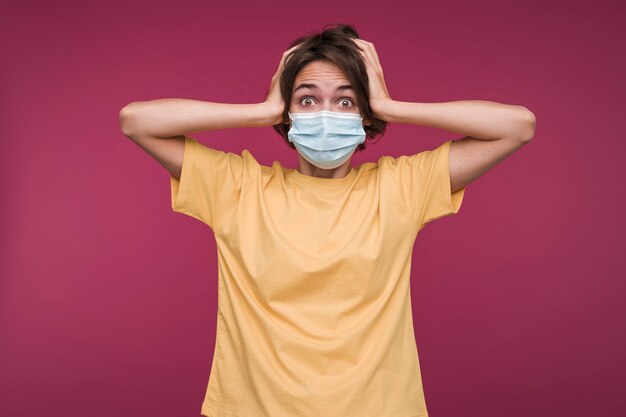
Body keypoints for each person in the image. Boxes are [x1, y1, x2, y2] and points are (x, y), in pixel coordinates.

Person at [119, 23, 535, 417]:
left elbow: (518, 126)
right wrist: (263, 110)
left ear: (364, 116)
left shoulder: (401, 186)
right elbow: (136, 121)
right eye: (307, 99)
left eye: (345, 100)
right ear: (288, 115)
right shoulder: (237, 187)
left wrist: (389, 105)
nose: (325, 113)